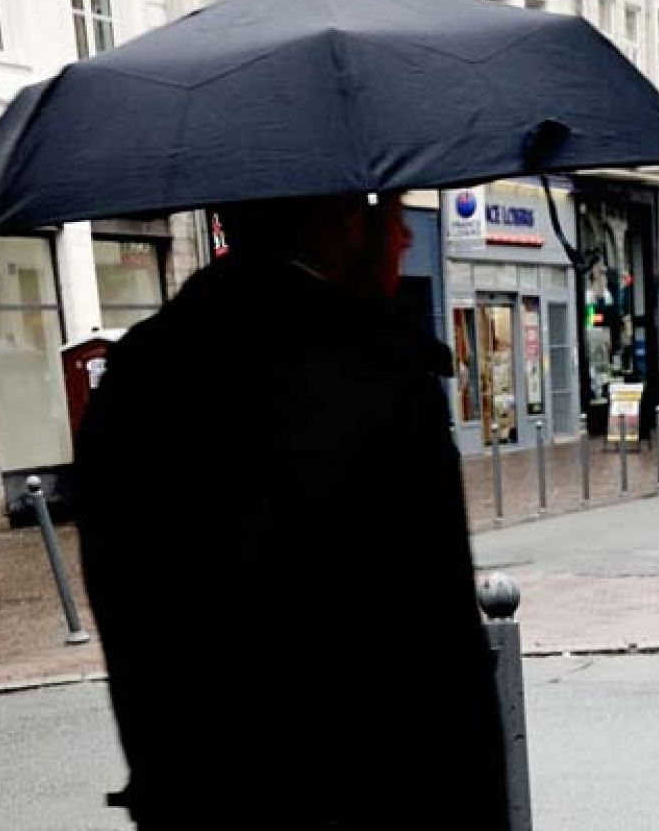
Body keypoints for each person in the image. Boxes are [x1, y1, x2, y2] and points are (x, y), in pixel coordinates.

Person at [75, 194, 508, 829]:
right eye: (388, 210)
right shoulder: (376, 376)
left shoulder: (139, 375)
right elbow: (439, 658)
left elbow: (126, 609)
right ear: (341, 222)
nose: (404, 237)